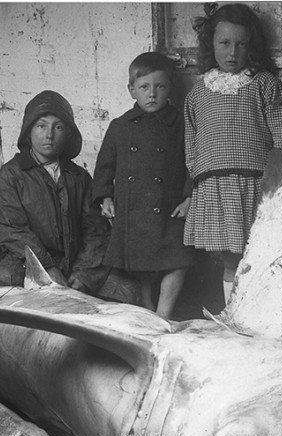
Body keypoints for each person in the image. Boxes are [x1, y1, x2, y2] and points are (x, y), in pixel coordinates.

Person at [183, 3, 282, 304]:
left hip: (255, 186)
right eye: (224, 43)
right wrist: (199, 179)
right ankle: (233, 313)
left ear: (252, 46)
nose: (232, 52)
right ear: (211, 44)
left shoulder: (263, 84)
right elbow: (192, 142)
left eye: (241, 44)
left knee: (260, 255)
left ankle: (260, 313)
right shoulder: (198, 92)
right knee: (229, 260)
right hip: (216, 187)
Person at [0, 90, 137, 303]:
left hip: (78, 261)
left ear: (68, 133)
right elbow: (12, 230)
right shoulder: (11, 175)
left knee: (128, 292)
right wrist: (47, 267)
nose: (49, 134)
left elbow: (96, 232)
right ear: (28, 131)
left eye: (58, 127)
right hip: (28, 261)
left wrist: (83, 275)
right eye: (41, 126)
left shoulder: (79, 177)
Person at [92, 52, 194, 320]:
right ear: (131, 90)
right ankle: (148, 305)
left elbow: (192, 164)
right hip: (133, 208)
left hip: (169, 208)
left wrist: (189, 198)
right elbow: (105, 166)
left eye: (160, 87)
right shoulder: (121, 126)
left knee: (178, 260)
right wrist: (105, 198)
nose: (152, 95)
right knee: (139, 263)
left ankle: (163, 313)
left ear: (170, 88)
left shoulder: (181, 124)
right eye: (144, 87)